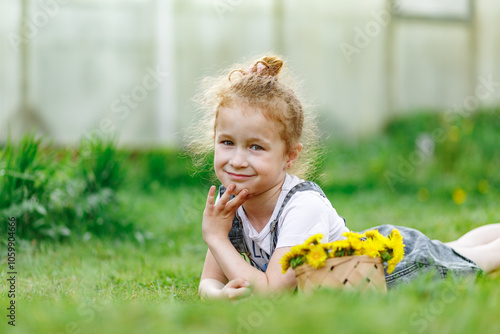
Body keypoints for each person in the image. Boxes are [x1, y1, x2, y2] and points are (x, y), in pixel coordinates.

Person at [188, 55, 500, 300]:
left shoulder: (301, 206)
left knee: (480, 260)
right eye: (227, 142)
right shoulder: (233, 204)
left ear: (289, 156)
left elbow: (271, 291)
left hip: (393, 270)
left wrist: (216, 237)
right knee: (456, 247)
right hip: (376, 258)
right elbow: (210, 281)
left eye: (256, 147)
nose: (238, 160)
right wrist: (220, 296)